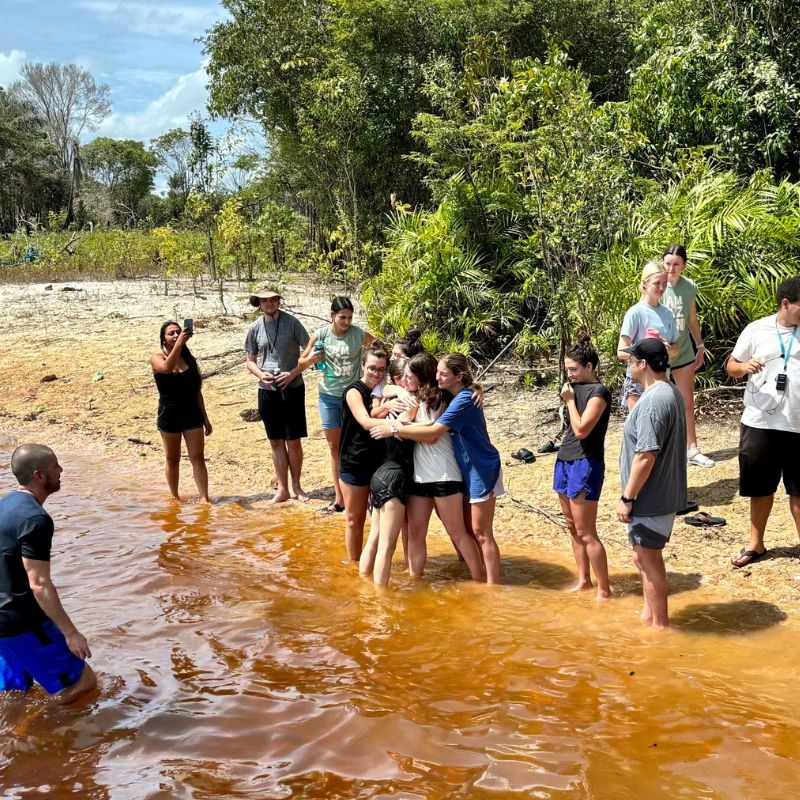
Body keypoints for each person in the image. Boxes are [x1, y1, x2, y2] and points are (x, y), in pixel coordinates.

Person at [372, 353, 503, 584]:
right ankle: (415, 581)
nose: (404, 380)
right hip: (420, 475)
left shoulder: (444, 397)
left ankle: (480, 581)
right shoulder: (411, 396)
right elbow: (386, 392)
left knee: (458, 532)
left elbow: (432, 434)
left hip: (445, 473)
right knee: (415, 532)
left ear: (422, 376)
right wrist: (400, 394)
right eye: (402, 377)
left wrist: (394, 428)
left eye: (409, 376)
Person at [0, 445, 96, 703]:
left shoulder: (5, 504)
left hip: (3, 623)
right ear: (38, 475)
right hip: (23, 621)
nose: (61, 470)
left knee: (16, 693)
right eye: (55, 466)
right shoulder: (36, 519)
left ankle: (15, 739)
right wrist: (71, 633)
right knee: (84, 683)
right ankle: (36, 732)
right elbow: (39, 583)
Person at [726, 276, 800, 568]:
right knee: (760, 487)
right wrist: (744, 366)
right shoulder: (756, 330)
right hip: (760, 423)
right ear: (786, 304)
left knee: (799, 490)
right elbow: (731, 366)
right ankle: (756, 544)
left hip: (797, 424)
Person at [616, 339, 687, 629]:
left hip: (650, 496)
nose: (629, 367)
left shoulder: (653, 401)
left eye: (631, 362)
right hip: (661, 493)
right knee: (641, 557)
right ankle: (648, 616)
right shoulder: (671, 392)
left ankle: (660, 627)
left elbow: (645, 455)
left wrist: (627, 496)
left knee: (648, 558)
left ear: (643, 364)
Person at [301, 297, 374, 514]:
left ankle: (365, 494)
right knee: (335, 448)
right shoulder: (321, 334)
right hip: (329, 397)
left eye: (350, 317)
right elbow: (301, 362)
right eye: (342, 317)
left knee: (358, 445)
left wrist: (368, 374)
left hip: (353, 396)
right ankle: (339, 498)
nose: (346, 321)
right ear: (332, 316)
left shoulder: (358, 334)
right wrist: (312, 359)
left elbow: (378, 348)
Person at [555, 337, 612, 599]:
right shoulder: (572, 388)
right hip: (565, 459)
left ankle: (604, 590)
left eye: (574, 369)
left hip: (586, 462)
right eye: (567, 369)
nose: (569, 374)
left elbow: (581, 430)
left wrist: (568, 401)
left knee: (587, 531)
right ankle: (583, 581)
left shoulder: (599, 392)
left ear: (589, 366)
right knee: (571, 526)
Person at [245, 285, 312, 503]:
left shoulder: (292, 323)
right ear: (259, 304)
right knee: (275, 441)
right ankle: (282, 488)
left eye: (273, 299)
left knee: (293, 441)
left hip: (292, 387)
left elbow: (309, 350)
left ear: (278, 301)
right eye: (264, 301)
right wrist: (260, 375)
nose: (269, 304)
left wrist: (293, 373)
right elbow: (250, 361)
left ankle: (297, 486)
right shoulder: (255, 328)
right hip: (267, 390)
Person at [662, 244, 715, 468]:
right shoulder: (657, 285)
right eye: (667, 263)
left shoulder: (689, 286)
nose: (671, 268)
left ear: (683, 265)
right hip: (660, 355)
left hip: (684, 351)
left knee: (686, 401)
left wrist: (700, 345)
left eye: (676, 264)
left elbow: (691, 318)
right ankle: (664, 451)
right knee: (662, 403)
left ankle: (692, 449)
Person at [338, 342, 390, 561]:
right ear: (363, 366)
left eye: (380, 369)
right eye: (372, 368)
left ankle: (372, 561)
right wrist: (389, 410)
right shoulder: (353, 392)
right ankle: (353, 563)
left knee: (380, 518)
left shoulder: (383, 390)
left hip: (380, 462)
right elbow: (365, 420)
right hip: (355, 462)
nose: (376, 373)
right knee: (354, 519)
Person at [151, 320, 212, 502]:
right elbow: (166, 368)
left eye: (178, 332)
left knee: (197, 457)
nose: (176, 335)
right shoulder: (157, 358)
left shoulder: (188, 359)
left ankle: (204, 498)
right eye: (171, 333)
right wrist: (178, 345)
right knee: (173, 458)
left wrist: (205, 418)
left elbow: (196, 390)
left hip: (192, 413)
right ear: (163, 338)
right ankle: (175, 497)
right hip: (169, 414)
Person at [617, 261, 679, 411]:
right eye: (656, 283)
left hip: (662, 379)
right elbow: (621, 352)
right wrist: (647, 349)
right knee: (639, 429)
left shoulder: (667, 314)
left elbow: (677, 349)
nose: (661, 288)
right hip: (639, 380)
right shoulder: (635, 312)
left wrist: (665, 348)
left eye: (664, 283)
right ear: (644, 283)